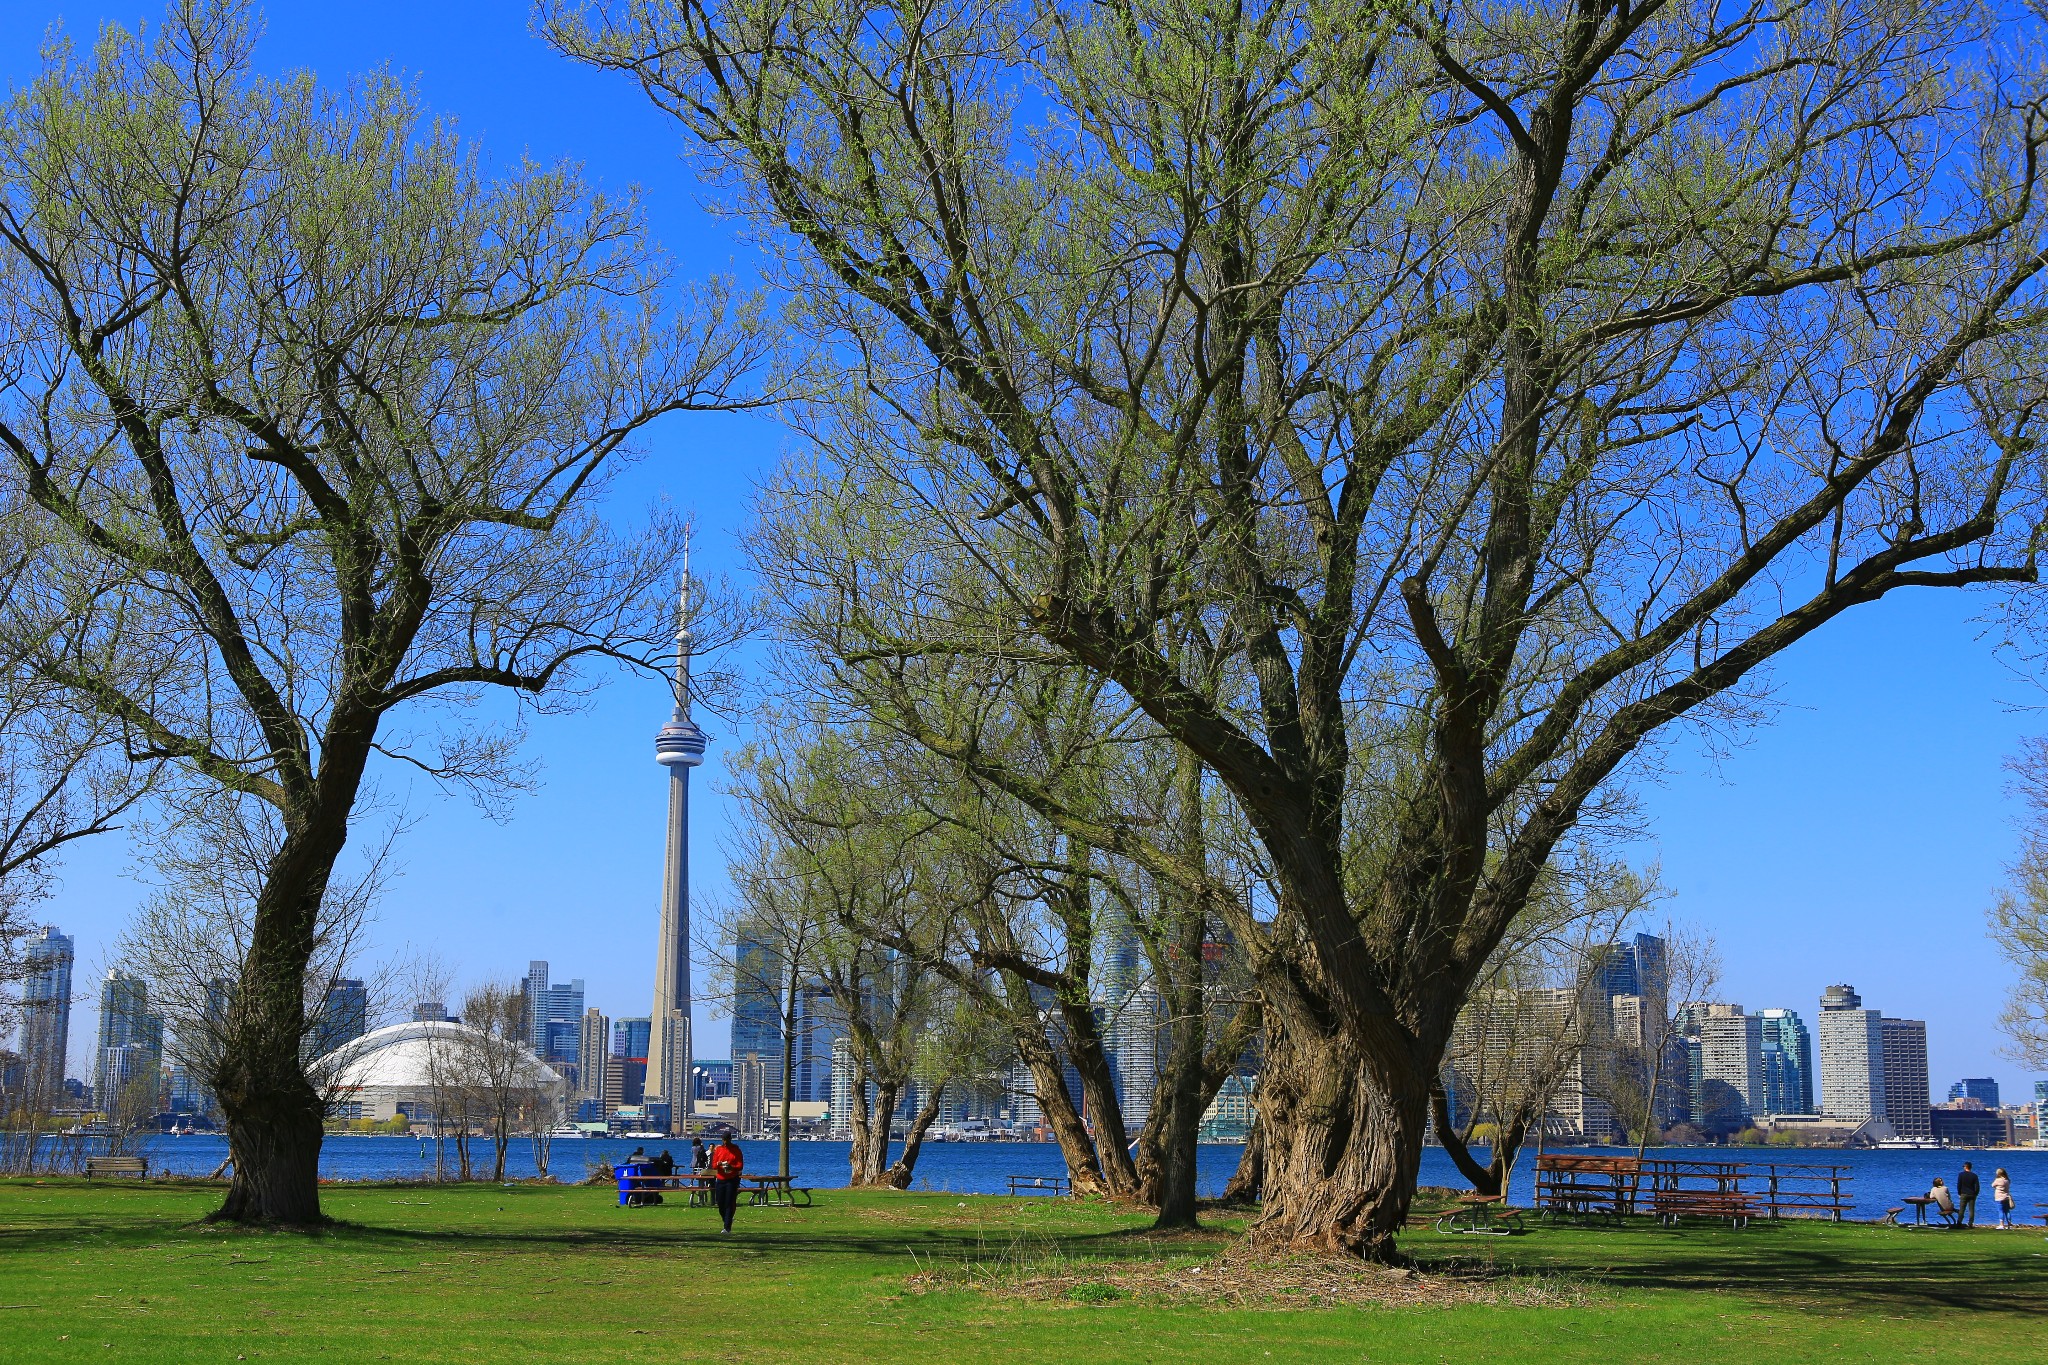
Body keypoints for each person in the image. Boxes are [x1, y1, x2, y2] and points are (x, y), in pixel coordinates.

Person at [708, 1129, 745, 1234]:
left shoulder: (736, 1150)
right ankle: (727, 1219)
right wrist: (719, 1164)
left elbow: (740, 1166)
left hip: (732, 1179)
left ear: (730, 1139)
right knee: (720, 1202)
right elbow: (714, 1165)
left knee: (729, 1202)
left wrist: (731, 1167)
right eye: (724, 1140)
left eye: (727, 1140)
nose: (725, 1142)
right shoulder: (718, 1150)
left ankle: (727, 1227)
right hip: (720, 1178)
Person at [1957, 1161, 1980, 1228]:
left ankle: (1959, 1222)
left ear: (1966, 1167)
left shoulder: (1961, 1175)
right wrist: (1976, 1193)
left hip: (1963, 1193)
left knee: (1962, 1209)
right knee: (1971, 1209)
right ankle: (1970, 1223)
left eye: (1964, 1166)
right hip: (1972, 1194)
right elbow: (1977, 1186)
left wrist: (1959, 1193)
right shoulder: (1974, 1176)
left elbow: (1959, 1185)